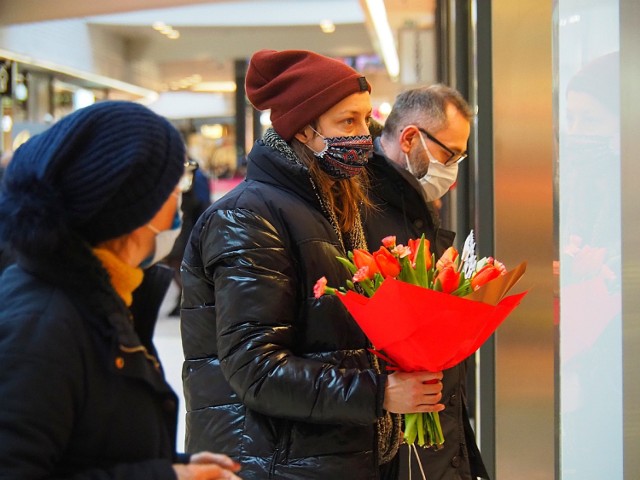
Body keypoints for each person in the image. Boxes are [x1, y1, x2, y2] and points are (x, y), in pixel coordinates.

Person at [180, 49, 445, 480]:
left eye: (365, 120)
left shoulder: (335, 207)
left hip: (327, 456)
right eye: (348, 122)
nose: (365, 135)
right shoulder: (247, 217)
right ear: (303, 130)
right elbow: (256, 368)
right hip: (273, 462)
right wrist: (380, 392)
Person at [0, 101, 241, 480]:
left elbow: (90, 444)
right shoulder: (43, 327)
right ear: (132, 208)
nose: (181, 197)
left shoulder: (106, 297)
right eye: (176, 182)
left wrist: (172, 463)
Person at [363, 84, 490, 480]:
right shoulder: (358, 206)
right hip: (388, 436)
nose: (452, 171)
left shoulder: (415, 203)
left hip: (432, 424)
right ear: (410, 137)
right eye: (449, 155)